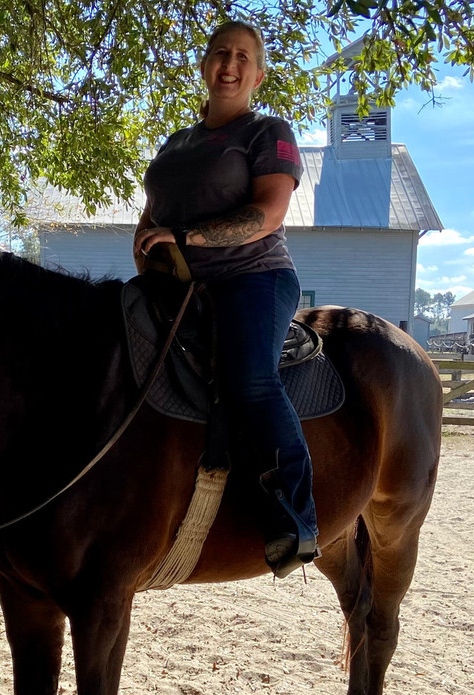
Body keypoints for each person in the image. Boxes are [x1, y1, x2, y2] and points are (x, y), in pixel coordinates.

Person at [133, 20, 318, 577]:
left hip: (252, 278)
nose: (229, 65)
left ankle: (297, 513)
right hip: (175, 283)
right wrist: (147, 254)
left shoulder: (267, 133)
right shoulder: (176, 143)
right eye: (220, 54)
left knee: (250, 379)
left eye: (242, 57)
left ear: (257, 74)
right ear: (205, 65)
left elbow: (268, 214)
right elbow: (154, 216)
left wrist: (186, 239)